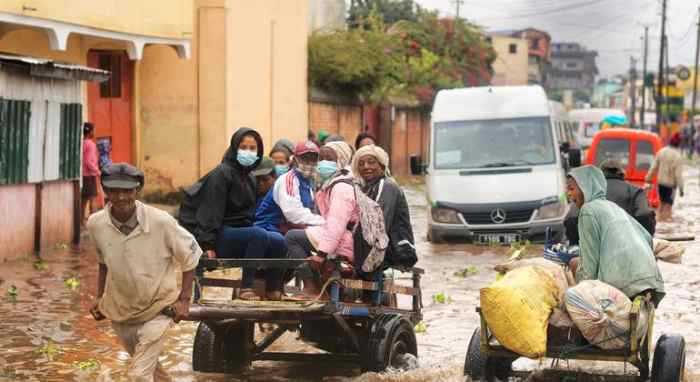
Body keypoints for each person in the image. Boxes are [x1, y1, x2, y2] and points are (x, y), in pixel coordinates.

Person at [87, 163, 202, 382]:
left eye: (126, 191)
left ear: (137, 190)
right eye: (113, 191)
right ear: (105, 191)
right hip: (122, 310)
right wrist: (99, 297)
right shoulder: (96, 224)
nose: (120, 197)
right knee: (152, 372)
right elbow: (103, 262)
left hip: (159, 307)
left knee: (139, 375)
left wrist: (184, 300)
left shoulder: (161, 221)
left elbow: (191, 255)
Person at [178, 127, 285, 301]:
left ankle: (272, 289)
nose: (248, 152)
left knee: (278, 240)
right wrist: (207, 245)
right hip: (219, 235)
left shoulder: (250, 177)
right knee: (257, 235)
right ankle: (246, 288)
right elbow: (211, 210)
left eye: (253, 149)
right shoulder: (222, 173)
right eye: (244, 147)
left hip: (239, 234)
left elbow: (248, 215)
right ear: (235, 148)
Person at [561, 165, 665, 306]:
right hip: (651, 282)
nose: (568, 194)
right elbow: (647, 238)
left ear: (585, 188)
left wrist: (580, 296)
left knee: (573, 270)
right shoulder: (612, 206)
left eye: (572, 188)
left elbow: (589, 268)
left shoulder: (588, 210)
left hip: (622, 286)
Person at [285, 141, 357, 298]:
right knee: (303, 233)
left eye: (329, 158)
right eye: (321, 158)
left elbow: (336, 224)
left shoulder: (341, 187)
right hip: (343, 238)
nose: (323, 162)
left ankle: (311, 286)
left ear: (341, 160)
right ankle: (319, 287)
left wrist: (322, 254)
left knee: (292, 237)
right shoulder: (333, 183)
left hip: (347, 240)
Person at [352, 145, 417, 269]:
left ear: (381, 165)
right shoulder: (367, 187)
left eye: (371, 162)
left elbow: (378, 225)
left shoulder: (387, 185)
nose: (366, 167)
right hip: (383, 247)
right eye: (361, 164)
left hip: (395, 250)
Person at [565, 159, 656, 244]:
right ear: (622, 174)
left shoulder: (588, 191)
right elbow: (644, 213)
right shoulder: (635, 191)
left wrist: (576, 243)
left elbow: (571, 217)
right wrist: (643, 241)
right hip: (626, 245)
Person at [255, 141, 325, 235]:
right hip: (269, 229)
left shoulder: (307, 182)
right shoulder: (289, 179)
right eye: (305, 159)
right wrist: (323, 222)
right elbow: (293, 214)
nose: (309, 163)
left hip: (287, 228)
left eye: (313, 159)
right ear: (295, 160)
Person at [645, 132, 684, 222]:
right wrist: (681, 189)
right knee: (668, 206)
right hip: (671, 186)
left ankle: (658, 222)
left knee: (661, 204)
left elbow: (653, 167)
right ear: (678, 143)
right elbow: (678, 175)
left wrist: (648, 178)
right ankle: (666, 224)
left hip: (661, 183)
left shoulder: (661, 152)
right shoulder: (677, 156)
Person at [82, 122, 101, 225]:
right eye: (93, 130)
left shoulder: (82, 143)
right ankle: (95, 224)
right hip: (90, 176)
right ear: (90, 132)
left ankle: (81, 222)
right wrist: (98, 172)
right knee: (93, 199)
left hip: (83, 175)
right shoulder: (91, 144)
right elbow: (89, 162)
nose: (95, 132)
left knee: (83, 200)